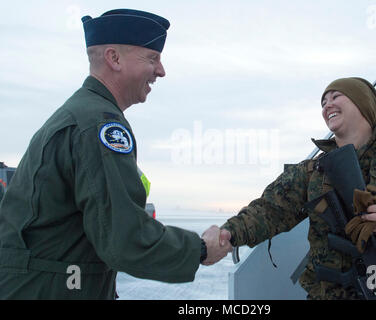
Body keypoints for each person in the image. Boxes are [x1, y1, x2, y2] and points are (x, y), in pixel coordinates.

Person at [0, 9, 231, 299]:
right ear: (114, 58)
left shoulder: (82, 112)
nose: (161, 70)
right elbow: (124, 237)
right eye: (152, 58)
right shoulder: (99, 125)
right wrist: (199, 249)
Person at [215, 77, 376, 300]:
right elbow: (269, 210)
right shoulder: (313, 171)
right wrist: (227, 235)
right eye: (323, 102)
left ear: (363, 103)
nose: (327, 105)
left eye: (336, 96)